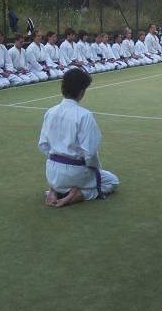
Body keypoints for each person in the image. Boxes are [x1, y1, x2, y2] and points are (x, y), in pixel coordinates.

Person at [38, 69, 119, 207]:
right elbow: (91, 153)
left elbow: (43, 145)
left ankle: (54, 190)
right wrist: (94, 168)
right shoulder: (84, 115)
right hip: (76, 173)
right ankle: (79, 194)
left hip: (52, 172)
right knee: (112, 181)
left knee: (65, 179)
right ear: (82, 91)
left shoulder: (50, 112)